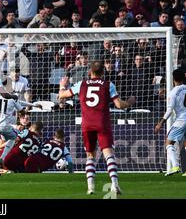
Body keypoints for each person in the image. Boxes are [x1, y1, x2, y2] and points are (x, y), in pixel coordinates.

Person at [58, 61, 136, 195]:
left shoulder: (81, 84)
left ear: (90, 72)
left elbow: (62, 95)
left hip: (87, 124)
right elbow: (118, 105)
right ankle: (114, 184)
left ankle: (90, 187)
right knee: (108, 154)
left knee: (90, 155)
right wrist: (129, 102)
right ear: (103, 72)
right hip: (102, 123)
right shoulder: (108, 85)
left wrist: (61, 86)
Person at [155, 69, 186, 176]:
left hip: (181, 120)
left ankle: (175, 166)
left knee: (169, 143)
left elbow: (169, 110)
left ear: (173, 79)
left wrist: (160, 123)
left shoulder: (173, 92)